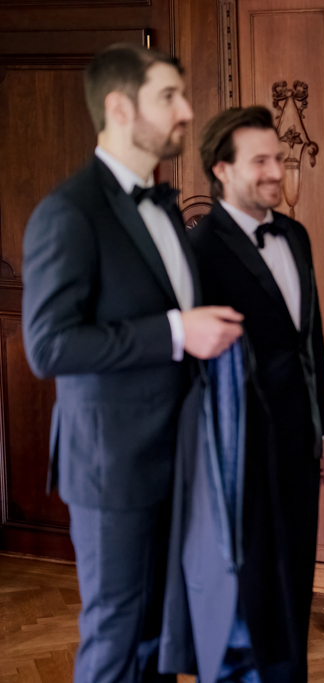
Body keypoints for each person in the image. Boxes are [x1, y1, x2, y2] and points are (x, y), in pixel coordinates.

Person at [20, 43, 244, 683]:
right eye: (169, 96)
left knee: (161, 640)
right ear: (120, 108)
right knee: (117, 642)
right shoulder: (68, 213)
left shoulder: (166, 207)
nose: (187, 109)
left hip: (182, 457)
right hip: (113, 467)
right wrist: (176, 331)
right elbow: (49, 346)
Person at [182, 105, 324, 682]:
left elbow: (311, 346)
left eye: (278, 158)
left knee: (295, 581)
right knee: (248, 592)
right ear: (222, 170)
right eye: (261, 161)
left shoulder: (296, 235)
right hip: (236, 452)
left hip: (300, 445)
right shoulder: (197, 253)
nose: (277, 170)